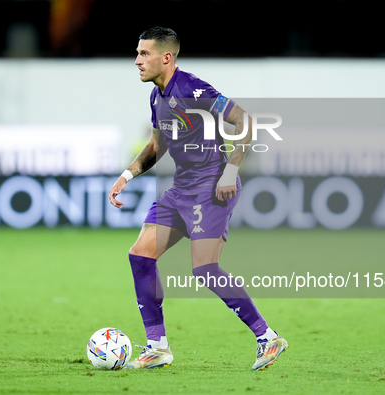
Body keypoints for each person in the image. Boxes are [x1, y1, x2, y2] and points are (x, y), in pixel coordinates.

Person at [108, 26, 287, 371]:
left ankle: (268, 337)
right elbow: (157, 146)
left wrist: (231, 171)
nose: (137, 61)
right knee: (140, 255)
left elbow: (245, 121)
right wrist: (127, 175)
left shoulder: (193, 88)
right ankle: (157, 347)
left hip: (210, 190)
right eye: (137, 53)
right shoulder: (156, 96)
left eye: (144, 54)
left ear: (167, 57)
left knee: (205, 269)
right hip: (179, 191)